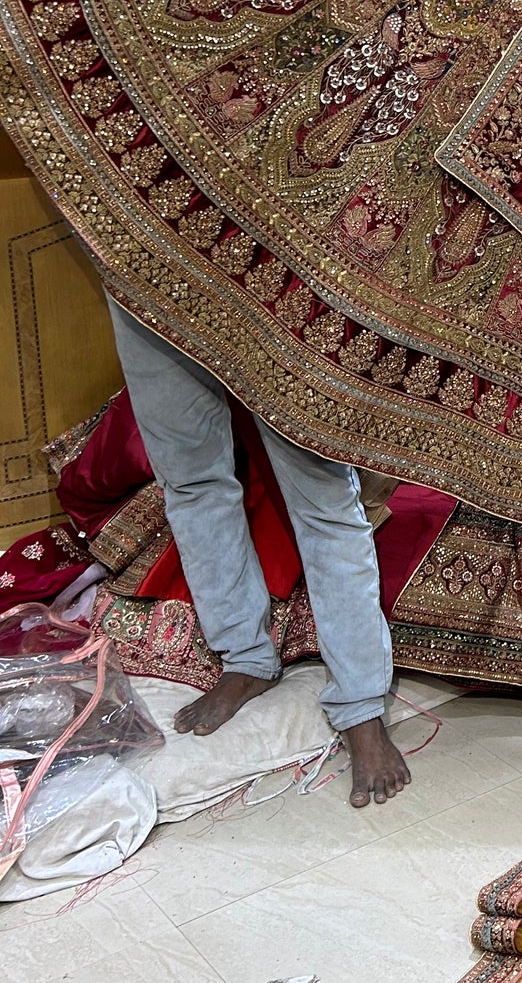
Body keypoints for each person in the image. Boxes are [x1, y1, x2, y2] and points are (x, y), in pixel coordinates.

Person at [106, 299, 411, 807]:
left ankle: (360, 709)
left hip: (267, 257)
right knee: (191, 480)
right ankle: (246, 658)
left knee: (326, 497)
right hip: (144, 259)